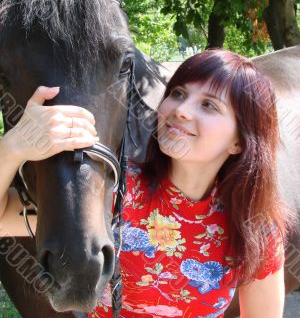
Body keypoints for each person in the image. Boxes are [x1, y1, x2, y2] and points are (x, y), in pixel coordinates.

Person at [0, 49, 288, 317]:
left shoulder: (255, 228)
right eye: (178, 93)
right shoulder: (112, 191)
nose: (182, 110)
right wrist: (13, 146)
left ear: (239, 141)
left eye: (209, 105)